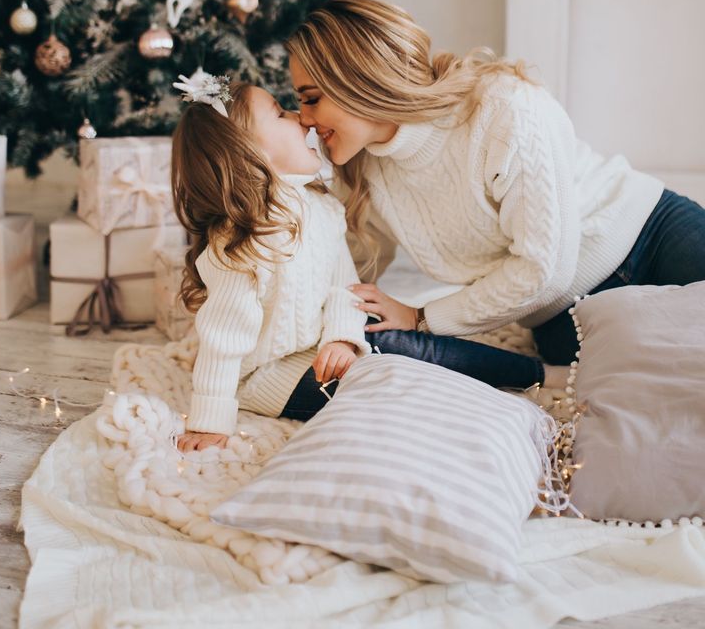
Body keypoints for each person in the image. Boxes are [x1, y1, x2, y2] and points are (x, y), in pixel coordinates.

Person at [287, 0, 705, 367]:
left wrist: (423, 317)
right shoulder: (362, 169)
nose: (304, 119)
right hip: (561, 316)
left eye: (311, 99)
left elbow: (545, 269)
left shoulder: (502, 107)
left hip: (652, 239)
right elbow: (345, 268)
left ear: (360, 80)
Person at [171, 68, 560, 453]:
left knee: (399, 340)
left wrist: (342, 338)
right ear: (247, 153)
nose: (299, 117)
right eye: (279, 113)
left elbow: (344, 286)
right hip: (273, 375)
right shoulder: (241, 244)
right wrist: (209, 422)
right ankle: (496, 410)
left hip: (322, 346)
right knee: (394, 384)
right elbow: (223, 341)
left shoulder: (321, 208)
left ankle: (540, 376)